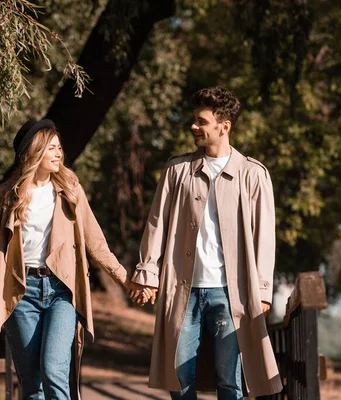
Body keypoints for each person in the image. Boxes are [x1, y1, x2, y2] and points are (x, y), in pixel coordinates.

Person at [0, 119, 150, 400]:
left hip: (61, 292)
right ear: (33, 152)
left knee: (53, 369)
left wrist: (127, 280)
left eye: (59, 148)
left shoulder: (70, 190)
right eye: (51, 148)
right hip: (20, 294)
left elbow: (96, 242)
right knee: (31, 384)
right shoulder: (6, 196)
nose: (58, 154)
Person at [130, 87, 283, 399]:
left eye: (201, 121)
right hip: (182, 291)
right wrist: (147, 274)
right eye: (194, 120)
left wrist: (263, 291)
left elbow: (264, 238)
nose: (193, 127)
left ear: (223, 126)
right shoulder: (176, 170)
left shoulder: (252, 175)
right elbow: (156, 225)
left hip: (231, 293)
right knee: (178, 377)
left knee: (230, 379)